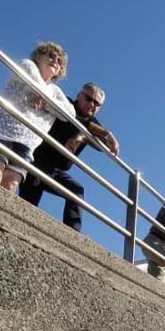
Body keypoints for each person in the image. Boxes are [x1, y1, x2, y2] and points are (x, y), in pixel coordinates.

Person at [19, 83, 120, 231]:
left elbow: (105, 146)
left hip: (55, 170)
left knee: (76, 190)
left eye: (96, 104)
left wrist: (82, 137)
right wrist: (105, 133)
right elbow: (75, 119)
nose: (91, 104)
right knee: (26, 206)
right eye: (88, 98)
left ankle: (72, 234)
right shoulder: (66, 103)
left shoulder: (94, 123)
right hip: (37, 162)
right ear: (79, 95)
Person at [0, 42, 75, 191]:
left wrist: (44, 101)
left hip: (26, 143)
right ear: (38, 56)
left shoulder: (54, 91)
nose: (55, 61)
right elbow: (30, 77)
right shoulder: (27, 64)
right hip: (0, 130)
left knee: (10, 185)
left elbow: (69, 114)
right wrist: (47, 100)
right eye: (51, 55)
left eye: (59, 61)